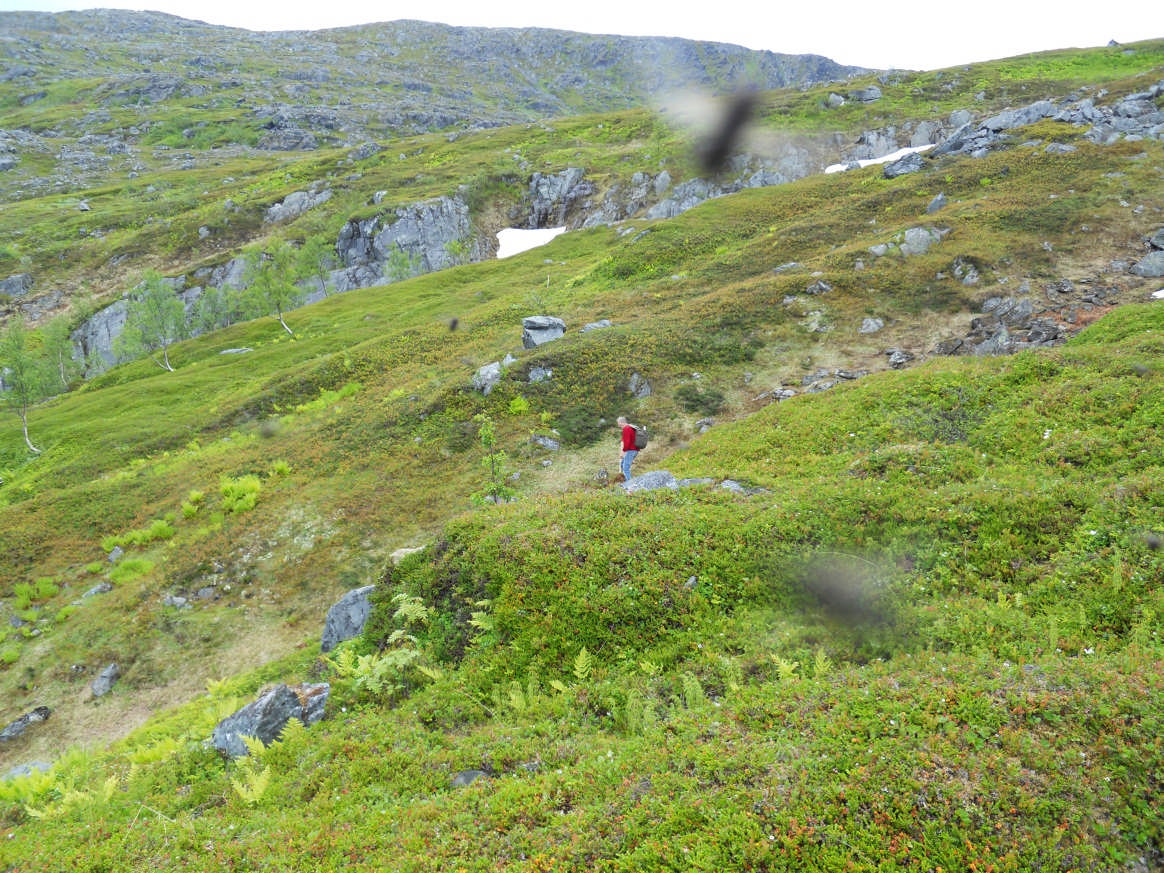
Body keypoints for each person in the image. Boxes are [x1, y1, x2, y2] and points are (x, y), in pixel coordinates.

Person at [617, 416, 638, 482]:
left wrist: (623, 452)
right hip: (634, 450)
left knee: (626, 468)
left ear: (621, 422)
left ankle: (629, 484)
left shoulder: (626, 428)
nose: (618, 425)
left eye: (618, 423)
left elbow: (627, 442)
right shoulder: (631, 428)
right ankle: (624, 480)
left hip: (630, 450)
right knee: (623, 464)